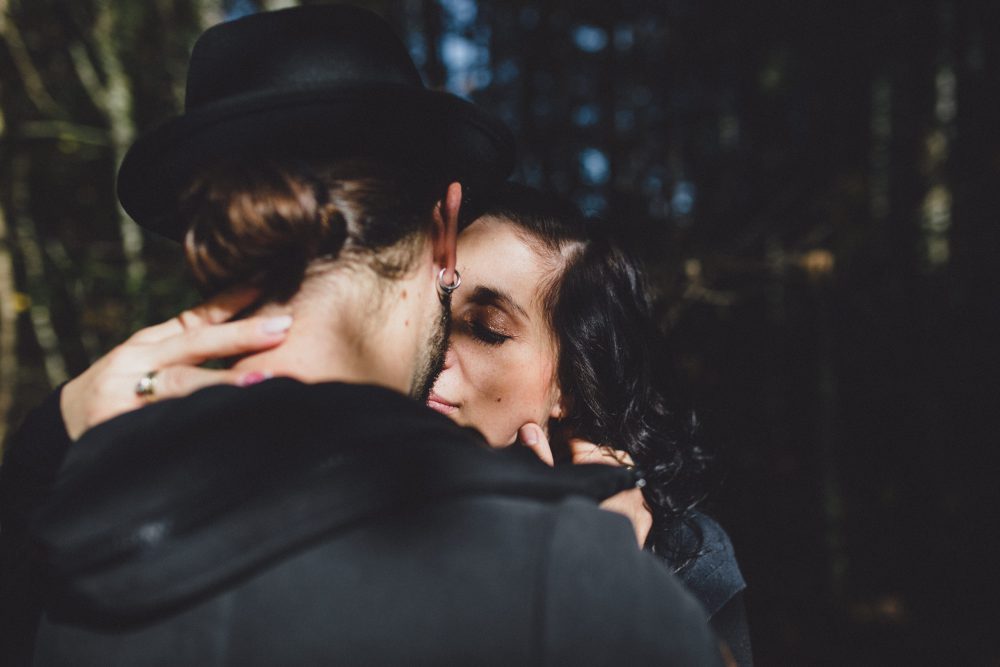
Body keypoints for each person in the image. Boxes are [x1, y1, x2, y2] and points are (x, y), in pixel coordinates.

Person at [0, 5, 725, 667]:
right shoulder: (575, 584)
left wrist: (48, 448)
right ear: (446, 230)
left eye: (490, 329)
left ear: (209, 245)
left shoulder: (82, 568)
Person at [427, 183, 752, 663]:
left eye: (486, 329)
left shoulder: (678, 557)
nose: (436, 350)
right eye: (429, 311)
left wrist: (609, 583)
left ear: (569, 387)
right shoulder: (334, 505)